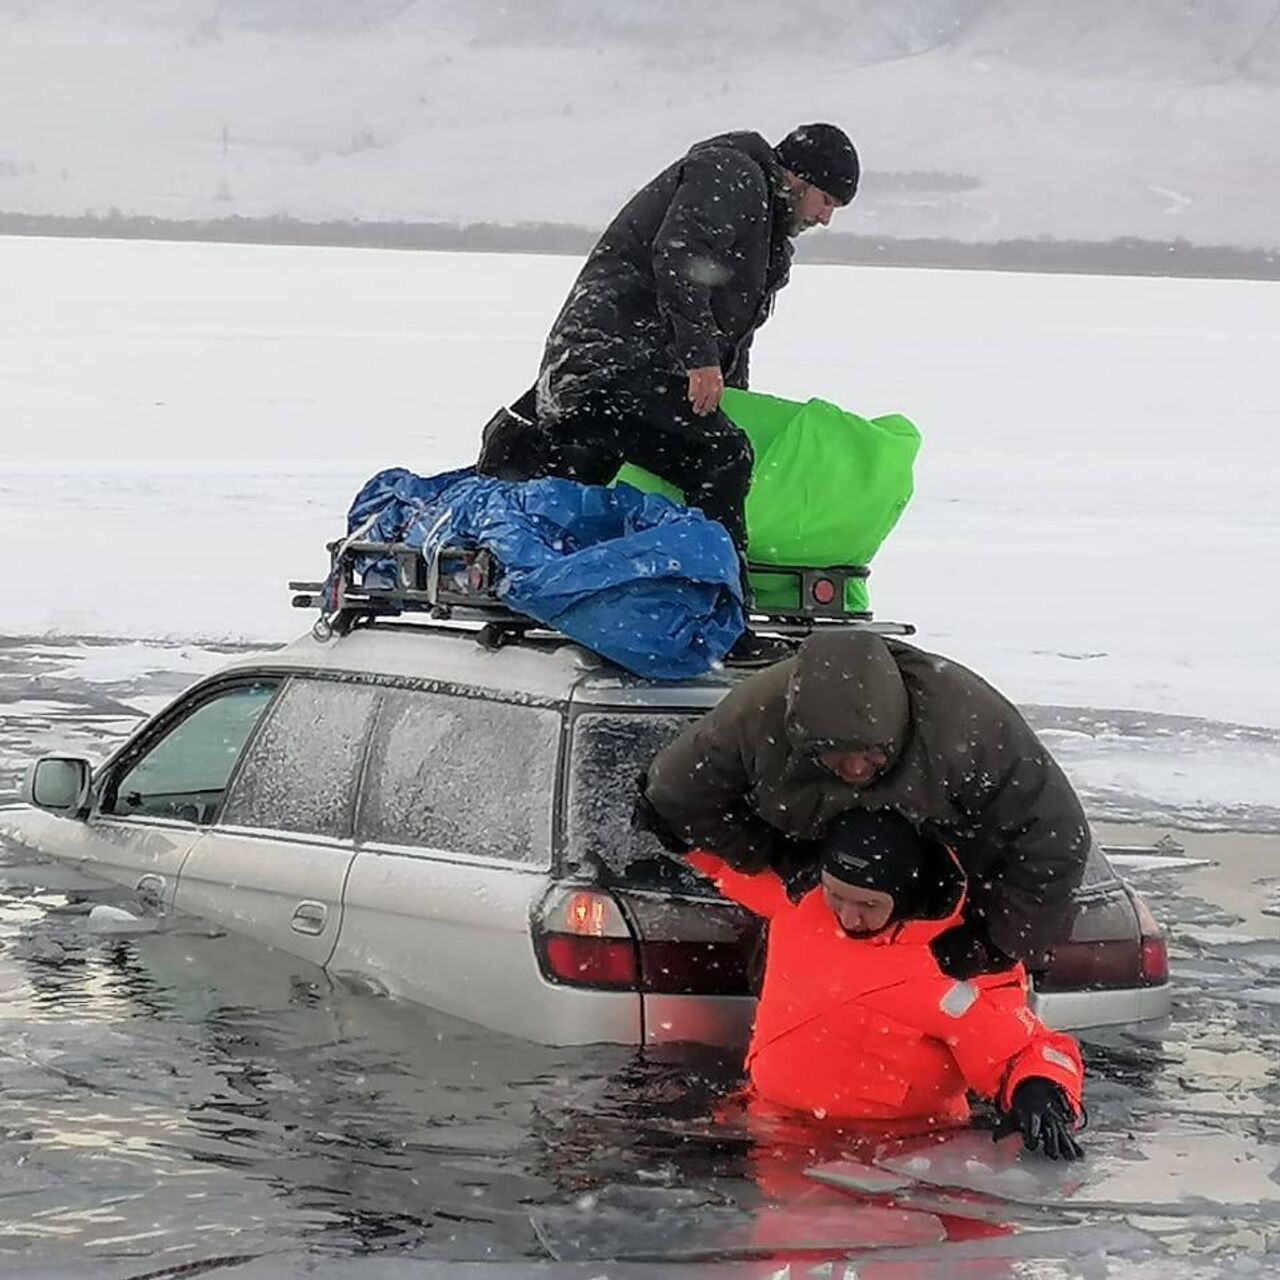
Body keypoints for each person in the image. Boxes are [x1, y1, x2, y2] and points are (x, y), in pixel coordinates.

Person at [478, 124, 861, 663]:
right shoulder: (731, 174)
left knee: (688, 459)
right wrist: (699, 360)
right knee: (722, 459)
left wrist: (729, 395)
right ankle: (721, 627)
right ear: (799, 178)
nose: (825, 217)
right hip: (609, 364)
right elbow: (678, 256)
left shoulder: (766, 231)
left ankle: (604, 604)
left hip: (624, 372)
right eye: (827, 201)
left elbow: (734, 333)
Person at [636, 629, 1092, 977]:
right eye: (836, 755)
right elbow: (678, 796)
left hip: (953, 914)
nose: (855, 770)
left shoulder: (968, 732)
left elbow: (1055, 837)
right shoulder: (755, 719)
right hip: (808, 953)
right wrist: (781, 858)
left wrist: (996, 942)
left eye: (871, 754)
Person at [685, 807, 1086, 1159]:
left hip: (901, 1156)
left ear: (907, 896)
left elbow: (1030, 1048)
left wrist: (1040, 1088)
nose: (847, 916)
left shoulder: (956, 963)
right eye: (836, 895)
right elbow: (726, 864)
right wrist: (677, 820)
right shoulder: (800, 902)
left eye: (868, 905)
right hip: (772, 1131)